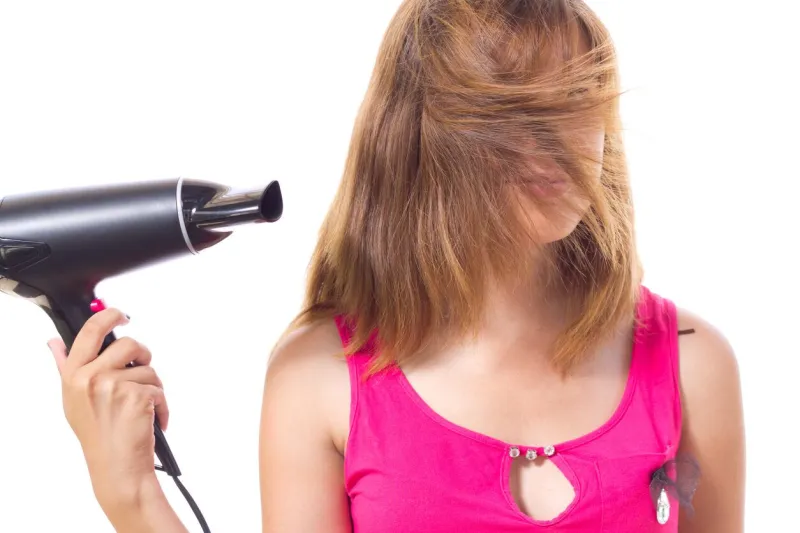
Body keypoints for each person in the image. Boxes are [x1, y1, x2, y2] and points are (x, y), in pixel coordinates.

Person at [47, 1, 746, 532]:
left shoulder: (689, 365)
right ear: (418, 132)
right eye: (509, 107)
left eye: (576, 98)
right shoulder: (320, 379)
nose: (556, 140)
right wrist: (134, 494)